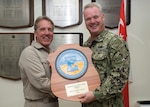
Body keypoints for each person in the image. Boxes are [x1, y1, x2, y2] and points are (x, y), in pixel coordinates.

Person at [78, 2, 130, 107]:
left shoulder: (115, 42)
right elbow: (79, 73)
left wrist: (95, 95)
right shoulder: (85, 46)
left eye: (95, 17)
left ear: (103, 17)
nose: (92, 21)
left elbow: (119, 77)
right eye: (88, 19)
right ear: (85, 21)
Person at [19, 16, 59, 107]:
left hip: (54, 103)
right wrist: (67, 87)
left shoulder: (53, 53)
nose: (47, 33)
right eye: (42, 29)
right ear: (35, 33)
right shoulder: (29, 53)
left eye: (50, 29)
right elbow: (41, 83)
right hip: (38, 104)